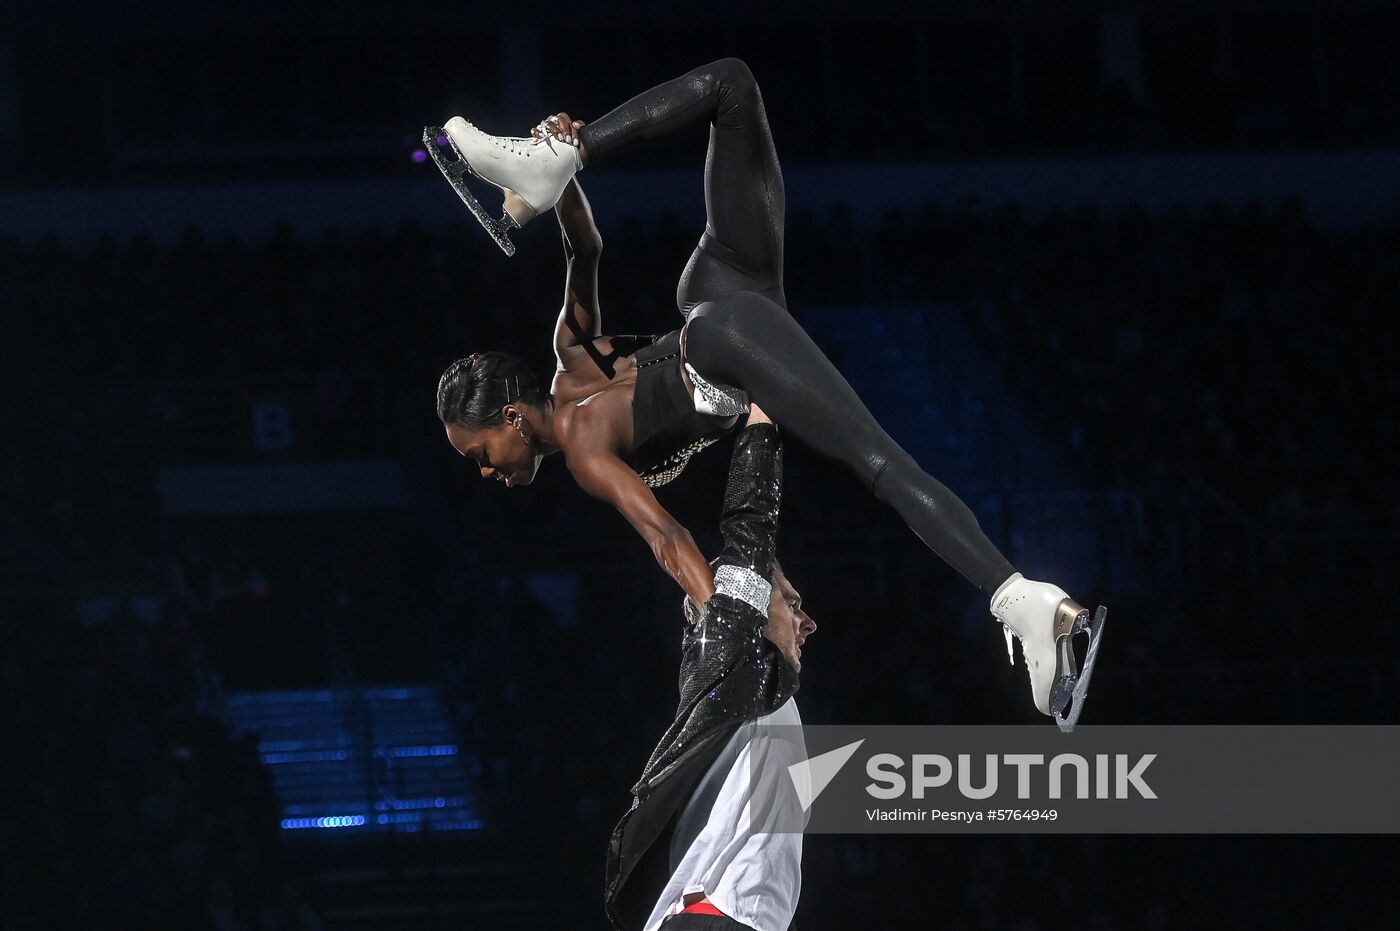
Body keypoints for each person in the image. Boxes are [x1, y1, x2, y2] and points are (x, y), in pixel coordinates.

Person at [431, 59, 1104, 726]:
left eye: (480, 453)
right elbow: (585, 247)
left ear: (513, 416)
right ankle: (565, 152)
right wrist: (565, 170)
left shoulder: (582, 451)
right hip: (722, 288)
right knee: (732, 84)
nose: (488, 471)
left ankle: (1020, 600)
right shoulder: (570, 353)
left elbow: (667, 537)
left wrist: (723, 627)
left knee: (877, 461)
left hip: (723, 339)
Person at [606, 407, 813, 931]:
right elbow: (750, 524)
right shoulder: (732, 663)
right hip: (714, 919)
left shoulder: (755, 694)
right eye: (789, 602)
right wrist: (761, 419)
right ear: (743, 608)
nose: (807, 621)